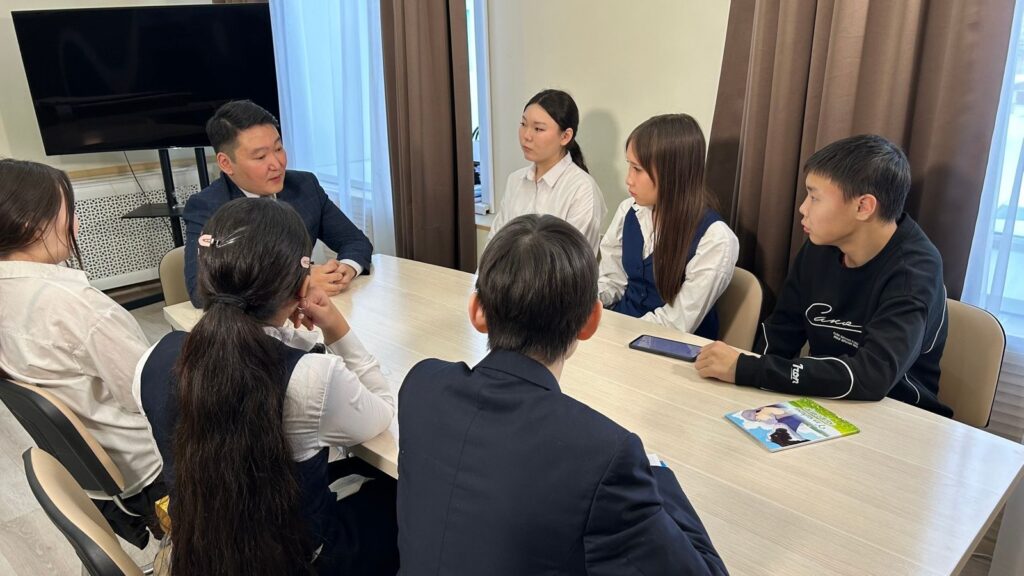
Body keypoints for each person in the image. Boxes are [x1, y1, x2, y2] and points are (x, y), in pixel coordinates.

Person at [397, 214, 728, 575]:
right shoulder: (605, 454)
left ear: (477, 311)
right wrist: (656, 471)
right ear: (591, 322)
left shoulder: (421, 385)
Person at [135, 199, 398, 574]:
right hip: (302, 559)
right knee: (401, 493)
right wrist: (337, 329)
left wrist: (290, 334)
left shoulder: (152, 360)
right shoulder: (311, 378)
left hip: (198, 553)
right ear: (302, 287)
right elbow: (382, 413)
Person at [695, 134, 952, 417]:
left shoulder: (914, 271)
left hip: (898, 415)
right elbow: (781, 331)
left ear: (863, 207)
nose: (803, 208)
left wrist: (748, 369)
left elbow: (872, 376)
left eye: (815, 197)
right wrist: (744, 390)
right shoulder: (821, 246)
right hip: (823, 403)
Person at [0, 158, 164, 549]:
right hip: (152, 472)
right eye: (68, 212)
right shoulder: (77, 306)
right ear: (30, 223)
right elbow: (147, 396)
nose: (75, 224)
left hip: (96, 476)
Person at [182, 100, 372, 307]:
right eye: (260, 157)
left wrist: (345, 269)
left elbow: (355, 241)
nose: (277, 164)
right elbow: (201, 291)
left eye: (278, 148)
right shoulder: (208, 207)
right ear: (226, 163)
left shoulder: (304, 186)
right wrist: (298, 282)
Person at [598, 114, 739, 338]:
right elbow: (612, 281)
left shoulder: (715, 239)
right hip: (620, 331)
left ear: (672, 172)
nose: (628, 179)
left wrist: (616, 333)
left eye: (637, 169)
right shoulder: (629, 210)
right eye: (629, 166)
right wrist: (589, 302)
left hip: (671, 347)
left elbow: (676, 323)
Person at [488, 89, 607, 254]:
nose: (526, 135)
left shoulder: (582, 189)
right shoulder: (515, 180)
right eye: (523, 124)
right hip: (505, 271)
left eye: (538, 129)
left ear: (565, 136)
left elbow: (571, 261)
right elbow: (494, 243)